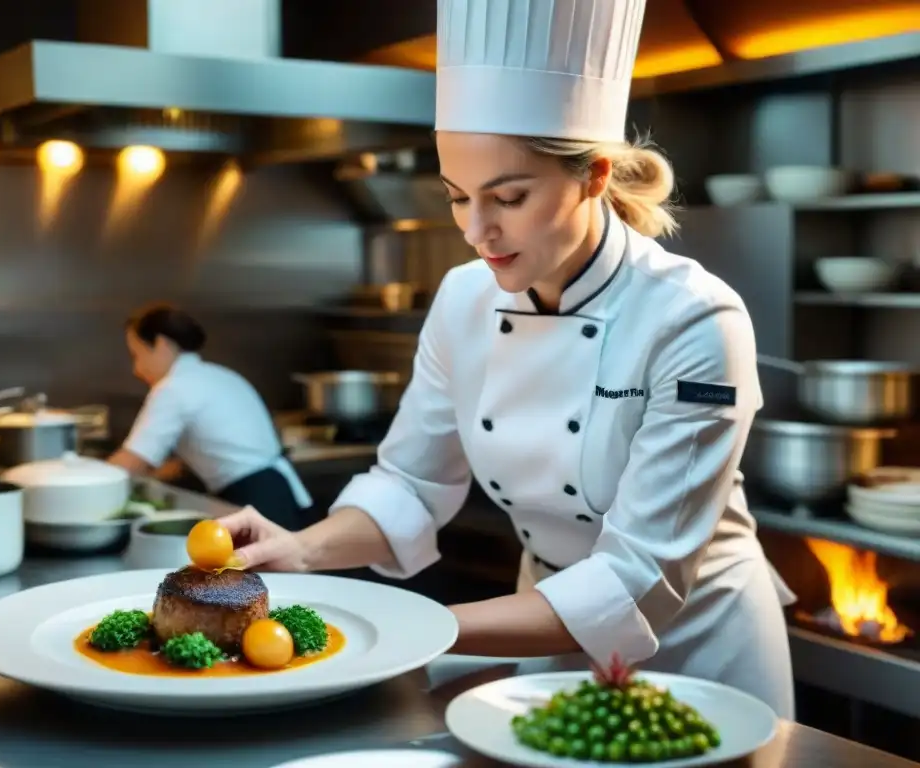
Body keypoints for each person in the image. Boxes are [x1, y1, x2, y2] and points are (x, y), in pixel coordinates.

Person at [218, 0, 796, 719]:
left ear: (593, 175)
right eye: (458, 198)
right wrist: (302, 550)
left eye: (509, 197)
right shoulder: (464, 299)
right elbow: (410, 485)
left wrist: (420, 630)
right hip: (541, 628)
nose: (477, 231)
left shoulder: (694, 319)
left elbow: (633, 579)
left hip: (696, 649)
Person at [107, 302, 313, 530]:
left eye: (137, 355)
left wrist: (77, 482)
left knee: (257, 565)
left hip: (254, 498)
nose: (136, 369)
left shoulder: (174, 388)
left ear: (162, 344)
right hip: (278, 490)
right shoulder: (217, 375)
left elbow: (132, 462)